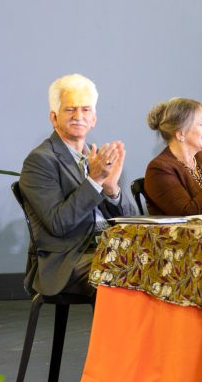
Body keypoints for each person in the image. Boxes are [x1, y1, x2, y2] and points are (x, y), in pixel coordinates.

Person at [19, 74, 137, 298]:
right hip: (67, 260)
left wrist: (112, 191)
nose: (78, 116)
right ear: (53, 118)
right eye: (70, 109)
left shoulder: (96, 157)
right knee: (126, 276)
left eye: (85, 110)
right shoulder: (40, 160)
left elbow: (130, 222)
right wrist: (94, 181)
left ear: (94, 119)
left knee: (160, 267)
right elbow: (58, 224)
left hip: (107, 248)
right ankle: (114, 335)